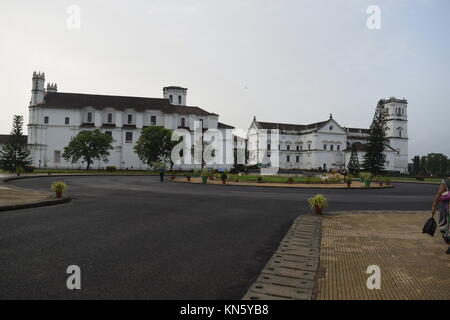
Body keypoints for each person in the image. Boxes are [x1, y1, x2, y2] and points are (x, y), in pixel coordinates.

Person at [431, 177, 450, 254]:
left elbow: (439, 193)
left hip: (447, 209)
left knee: (444, 227)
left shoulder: (446, 181)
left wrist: (434, 206)